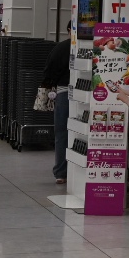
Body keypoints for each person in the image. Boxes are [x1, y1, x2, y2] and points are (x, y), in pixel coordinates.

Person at [39, 30, 73, 184]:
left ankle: (61, 172)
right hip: (88, 94)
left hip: (63, 92)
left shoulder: (61, 47)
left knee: (61, 133)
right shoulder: (93, 47)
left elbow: (49, 71)